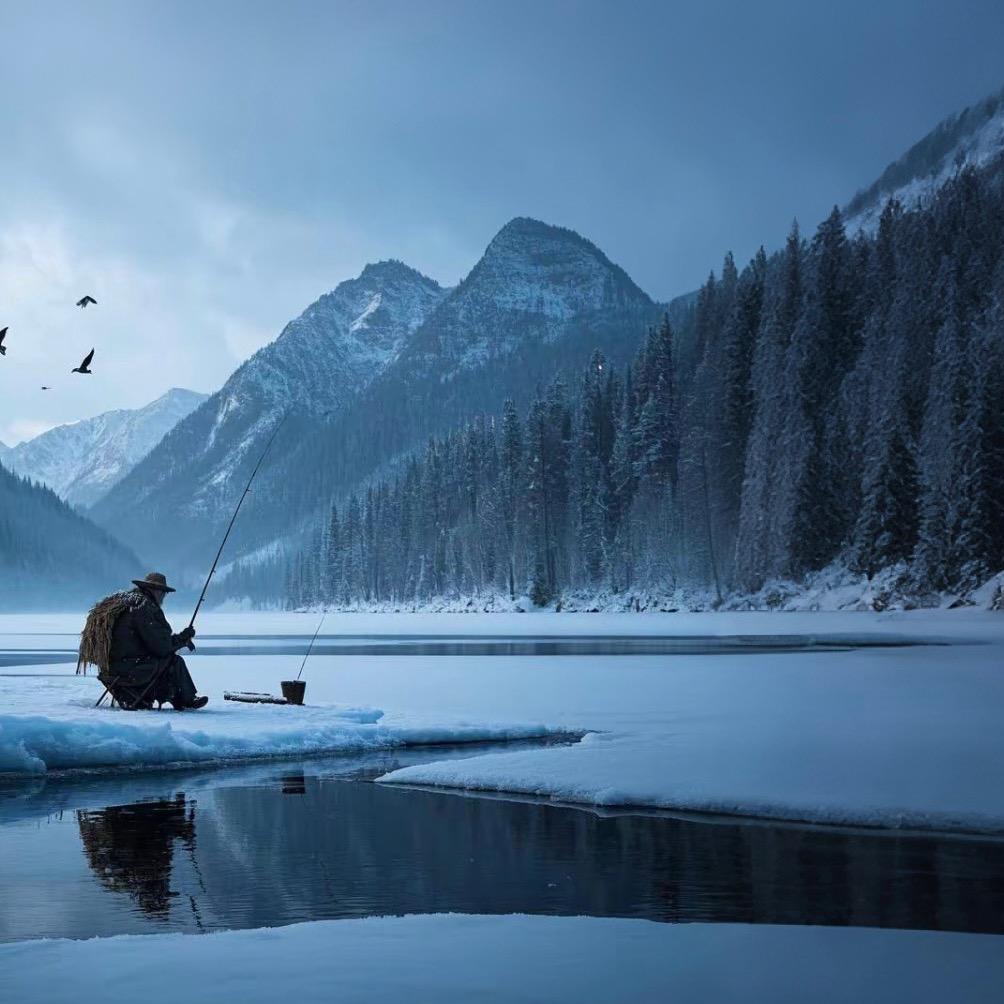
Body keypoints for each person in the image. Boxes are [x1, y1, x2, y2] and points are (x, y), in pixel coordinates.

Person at [105, 572, 208, 710]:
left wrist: (181, 639)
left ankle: (178, 697)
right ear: (155, 590)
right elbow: (161, 647)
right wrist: (183, 637)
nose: (164, 596)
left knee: (164, 661)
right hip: (129, 668)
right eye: (163, 592)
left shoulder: (134, 604)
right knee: (174, 661)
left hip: (119, 665)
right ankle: (186, 699)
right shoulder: (144, 608)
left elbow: (154, 642)